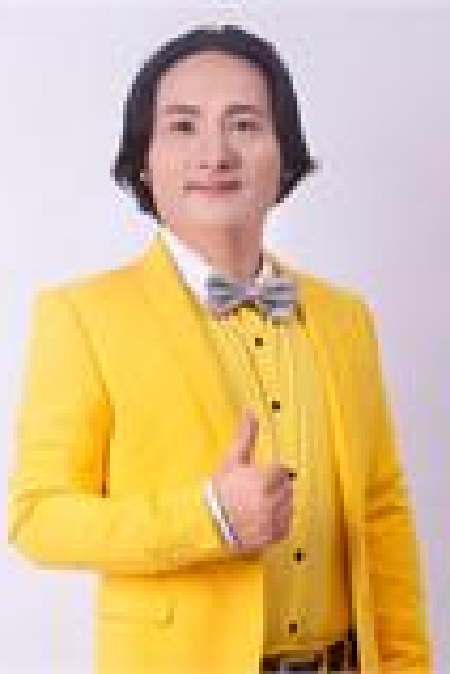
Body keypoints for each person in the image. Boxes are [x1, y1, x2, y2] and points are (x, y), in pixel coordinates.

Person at [7, 24, 431, 674]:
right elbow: (38, 519)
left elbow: (381, 513)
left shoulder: (346, 318)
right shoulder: (83, 316)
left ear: (284, 155)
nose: (215, 153)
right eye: (183, 126)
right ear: (144, 160)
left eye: (244, 124)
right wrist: (208, 518)